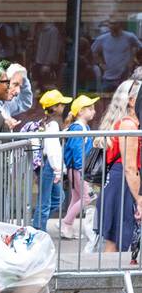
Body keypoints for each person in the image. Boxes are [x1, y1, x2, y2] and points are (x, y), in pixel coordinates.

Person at [97, 79, 141, 255]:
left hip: (122, 184)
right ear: (132, 100)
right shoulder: (128, 125)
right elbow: (130, 167)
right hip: (123, 185)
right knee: (115, 243)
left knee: (117, 242)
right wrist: (139, 199)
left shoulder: (130, 123)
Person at [59, 94, 97, 240]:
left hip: (78, 169)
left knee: (76, 198)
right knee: (87, 198)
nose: (94, 111)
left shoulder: (82, 127)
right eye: (90, 109)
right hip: (78, 169)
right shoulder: (78, 128)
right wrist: (82, 168)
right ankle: (66, 223)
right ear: (81, 111)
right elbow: (77, 150)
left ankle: (66, 227)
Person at [33, 89, 66, 232]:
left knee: (58, 198)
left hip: (48, 164)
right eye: (61, 104)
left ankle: (37, 224)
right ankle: (39, 230)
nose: (63, 107)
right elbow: (53, 148)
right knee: (45, 202)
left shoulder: (47, 122)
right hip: (50, 165)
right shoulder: (53, 124)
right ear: (54, 107)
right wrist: (58, 169)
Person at [91, 21, 141, 95]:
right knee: (104, 100)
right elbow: (93, 52)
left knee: (124, 100)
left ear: (120, 24)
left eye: (115, 23)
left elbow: (139, 47)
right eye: (111, 23)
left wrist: (132, 60)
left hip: (125, 78)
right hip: (108, 77)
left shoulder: (129, 37)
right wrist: (101, 63)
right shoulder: (102, 39)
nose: (112, 26)